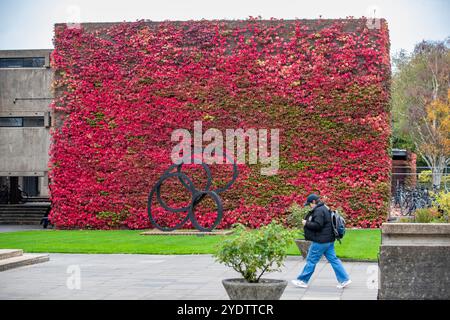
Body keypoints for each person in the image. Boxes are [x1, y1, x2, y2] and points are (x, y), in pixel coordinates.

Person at [292, 194, 352, 289]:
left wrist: (306, 223)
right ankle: (344, 279)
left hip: (320, 241)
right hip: (328, 240)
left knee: (311, 260)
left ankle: (302, 280)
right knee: (334, 260)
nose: (309, 206)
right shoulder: (324, 207)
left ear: (314, 202)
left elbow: (318, 225)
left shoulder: (319, 210)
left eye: (309, 204)